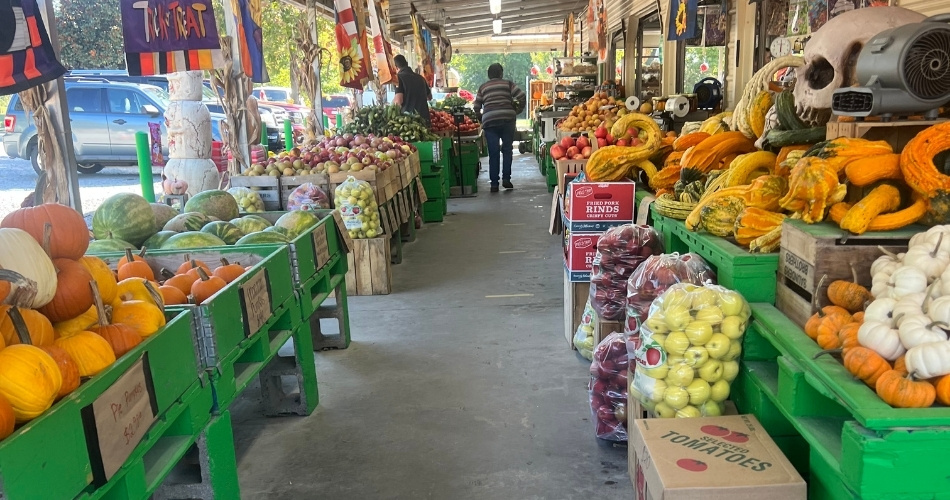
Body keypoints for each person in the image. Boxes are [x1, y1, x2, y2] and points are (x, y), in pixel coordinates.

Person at [473, 63, 526, 192]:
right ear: (501, 74)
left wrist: (482, 119)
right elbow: (521, 96)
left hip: (490, 122)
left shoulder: (483, 87)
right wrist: (517, 110)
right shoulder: (508, 84)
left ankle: (494, 184)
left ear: (488, 75)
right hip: (507, 119)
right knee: (507, 150)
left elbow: (476, 107)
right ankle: (506, 179)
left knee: (493, 152)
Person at [393, 55, 431, 125]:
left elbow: (398, 101)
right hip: (425, 121)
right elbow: (429, 97)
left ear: (396, 67)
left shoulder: (398, 78)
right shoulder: (421, 78)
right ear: (407, 63)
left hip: (409, 123)